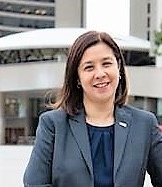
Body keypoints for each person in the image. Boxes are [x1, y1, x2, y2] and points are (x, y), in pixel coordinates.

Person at [23, 30, 162, 187]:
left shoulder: (144, 124)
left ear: (119, 68)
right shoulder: (53, 124)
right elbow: (34, 184)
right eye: (89, 67)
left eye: (106, 64)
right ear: (77, 78)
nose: (100, 73)